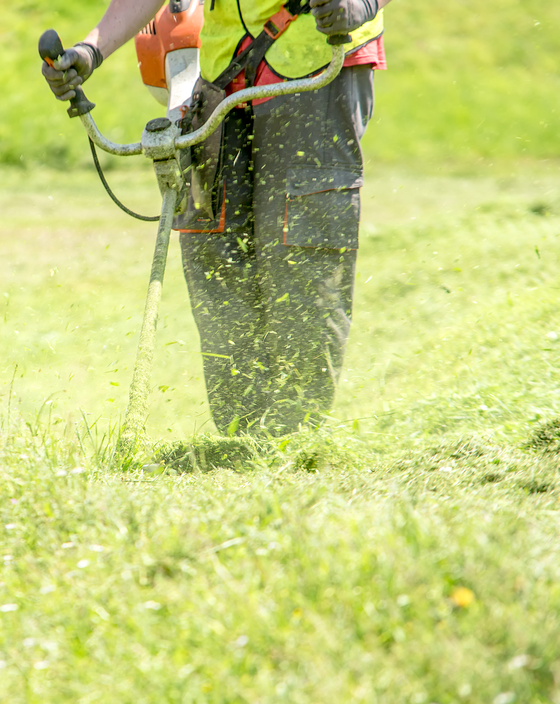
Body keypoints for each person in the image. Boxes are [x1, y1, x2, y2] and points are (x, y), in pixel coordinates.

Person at [42, 0, 392, 436]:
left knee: (299, 256)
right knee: (215, 256)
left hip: (318, 59)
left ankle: (294, 439)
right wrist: (91, 50)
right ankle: (239, 437)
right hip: (224, 70)